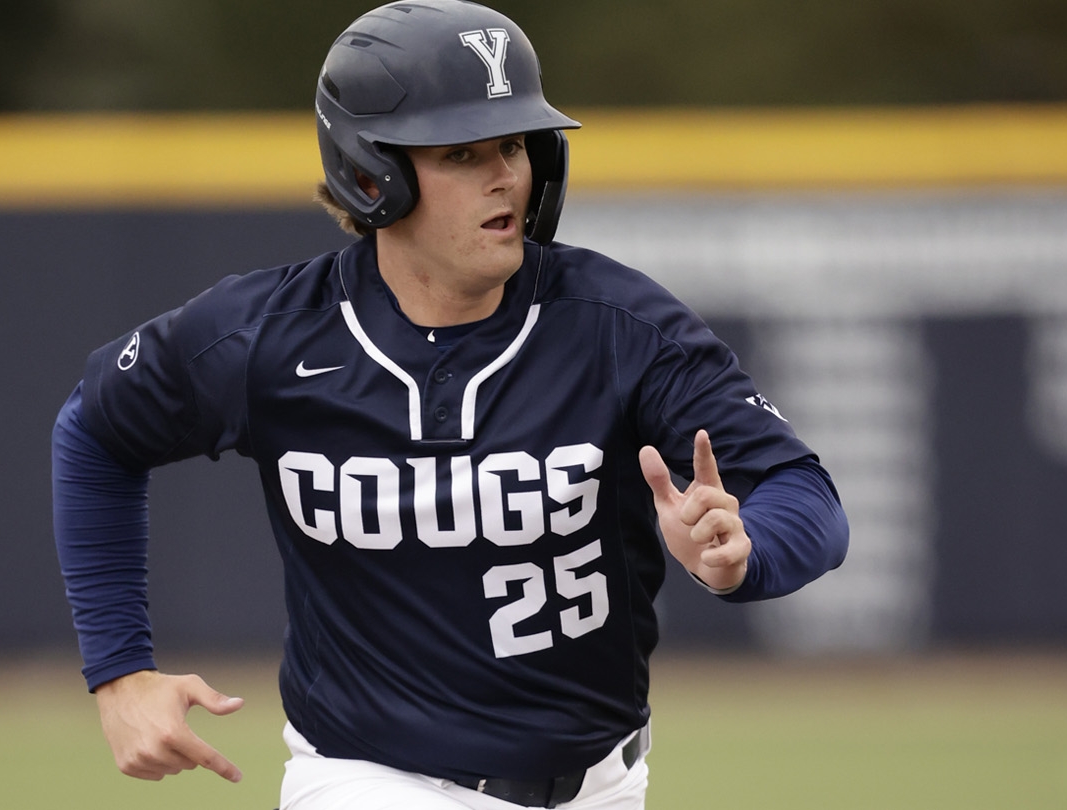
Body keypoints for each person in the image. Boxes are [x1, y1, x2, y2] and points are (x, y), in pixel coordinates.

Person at [51, 1, 849, 808]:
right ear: (371, 175)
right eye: (464, 151)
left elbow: (805, 493)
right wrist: (120, 671)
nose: (505, 174)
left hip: (602, 785)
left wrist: (745, 551)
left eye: (514, 144)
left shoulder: (618, 327)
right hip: (368, 778)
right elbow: (94, 432)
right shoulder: (264, 338)